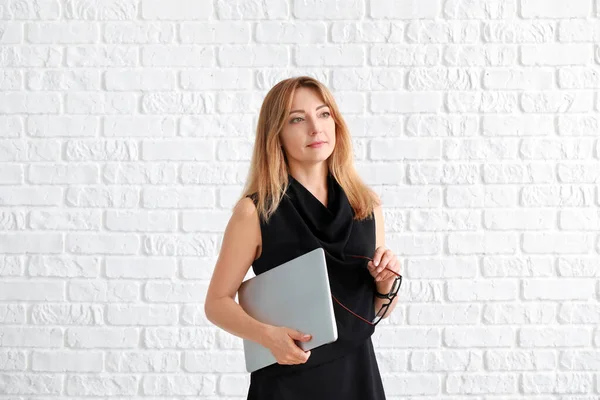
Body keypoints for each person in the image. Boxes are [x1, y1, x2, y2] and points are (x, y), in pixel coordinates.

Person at [204, 76, 403, 399]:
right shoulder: (255, 212)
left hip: (358, 376)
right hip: (288, 382)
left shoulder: (367, 206)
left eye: (324, 114)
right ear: (276, 135)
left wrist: (385, 283)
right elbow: (216, 303)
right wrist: (268, 337)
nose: (315, 127)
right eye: (297, 119)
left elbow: (373, 310)